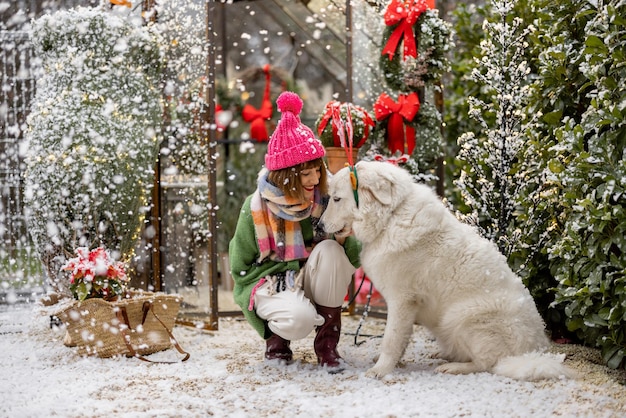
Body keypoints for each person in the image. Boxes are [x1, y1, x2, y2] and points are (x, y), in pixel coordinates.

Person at [228, 91, 361, 371]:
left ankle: (327, 346)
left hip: (313, 277)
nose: (315, 179)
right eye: (305, 173)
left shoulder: (326, 200)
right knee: (298, 320)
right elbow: (240, 268)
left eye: (317, 170)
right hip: (272, 282)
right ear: (287, 175)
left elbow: (353, 259)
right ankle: (277, 341)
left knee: (330, 250)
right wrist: (275, 286)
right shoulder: (256, 208)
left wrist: (343, 237)